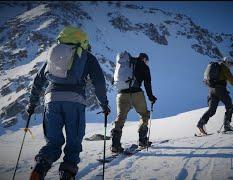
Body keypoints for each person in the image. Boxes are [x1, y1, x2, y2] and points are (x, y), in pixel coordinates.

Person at [27, 27, 110, 180]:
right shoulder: (87, 56)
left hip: (51, 100)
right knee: (73, 142)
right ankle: (66, 174)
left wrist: (32, 104)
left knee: (53, 142)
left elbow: (38, 80)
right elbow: (98, 82)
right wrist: (104, 105)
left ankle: (40, 167)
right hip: (75, 101)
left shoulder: (54, 55)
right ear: (83, 42)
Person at [111, 52, 157, 153]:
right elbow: (147, 83)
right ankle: (142, 140)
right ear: (144, 59)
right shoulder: (143, 66)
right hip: (137, 94)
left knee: (120, 119)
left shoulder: (124, 65)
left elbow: (113, 81)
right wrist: (151, 97)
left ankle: (115, 145)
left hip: (121, 95)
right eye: (146, 61)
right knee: (144, 115)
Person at [197, 57, 233, 134]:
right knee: (229, 106)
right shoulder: (224, 67)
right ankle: (227, 125)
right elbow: (231, 78)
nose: (231, 66)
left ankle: (201, 123)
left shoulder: (216, 67)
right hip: (220, 89)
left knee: (212, 109)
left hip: (211, 90)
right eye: (231, 64)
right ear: (227, 62)